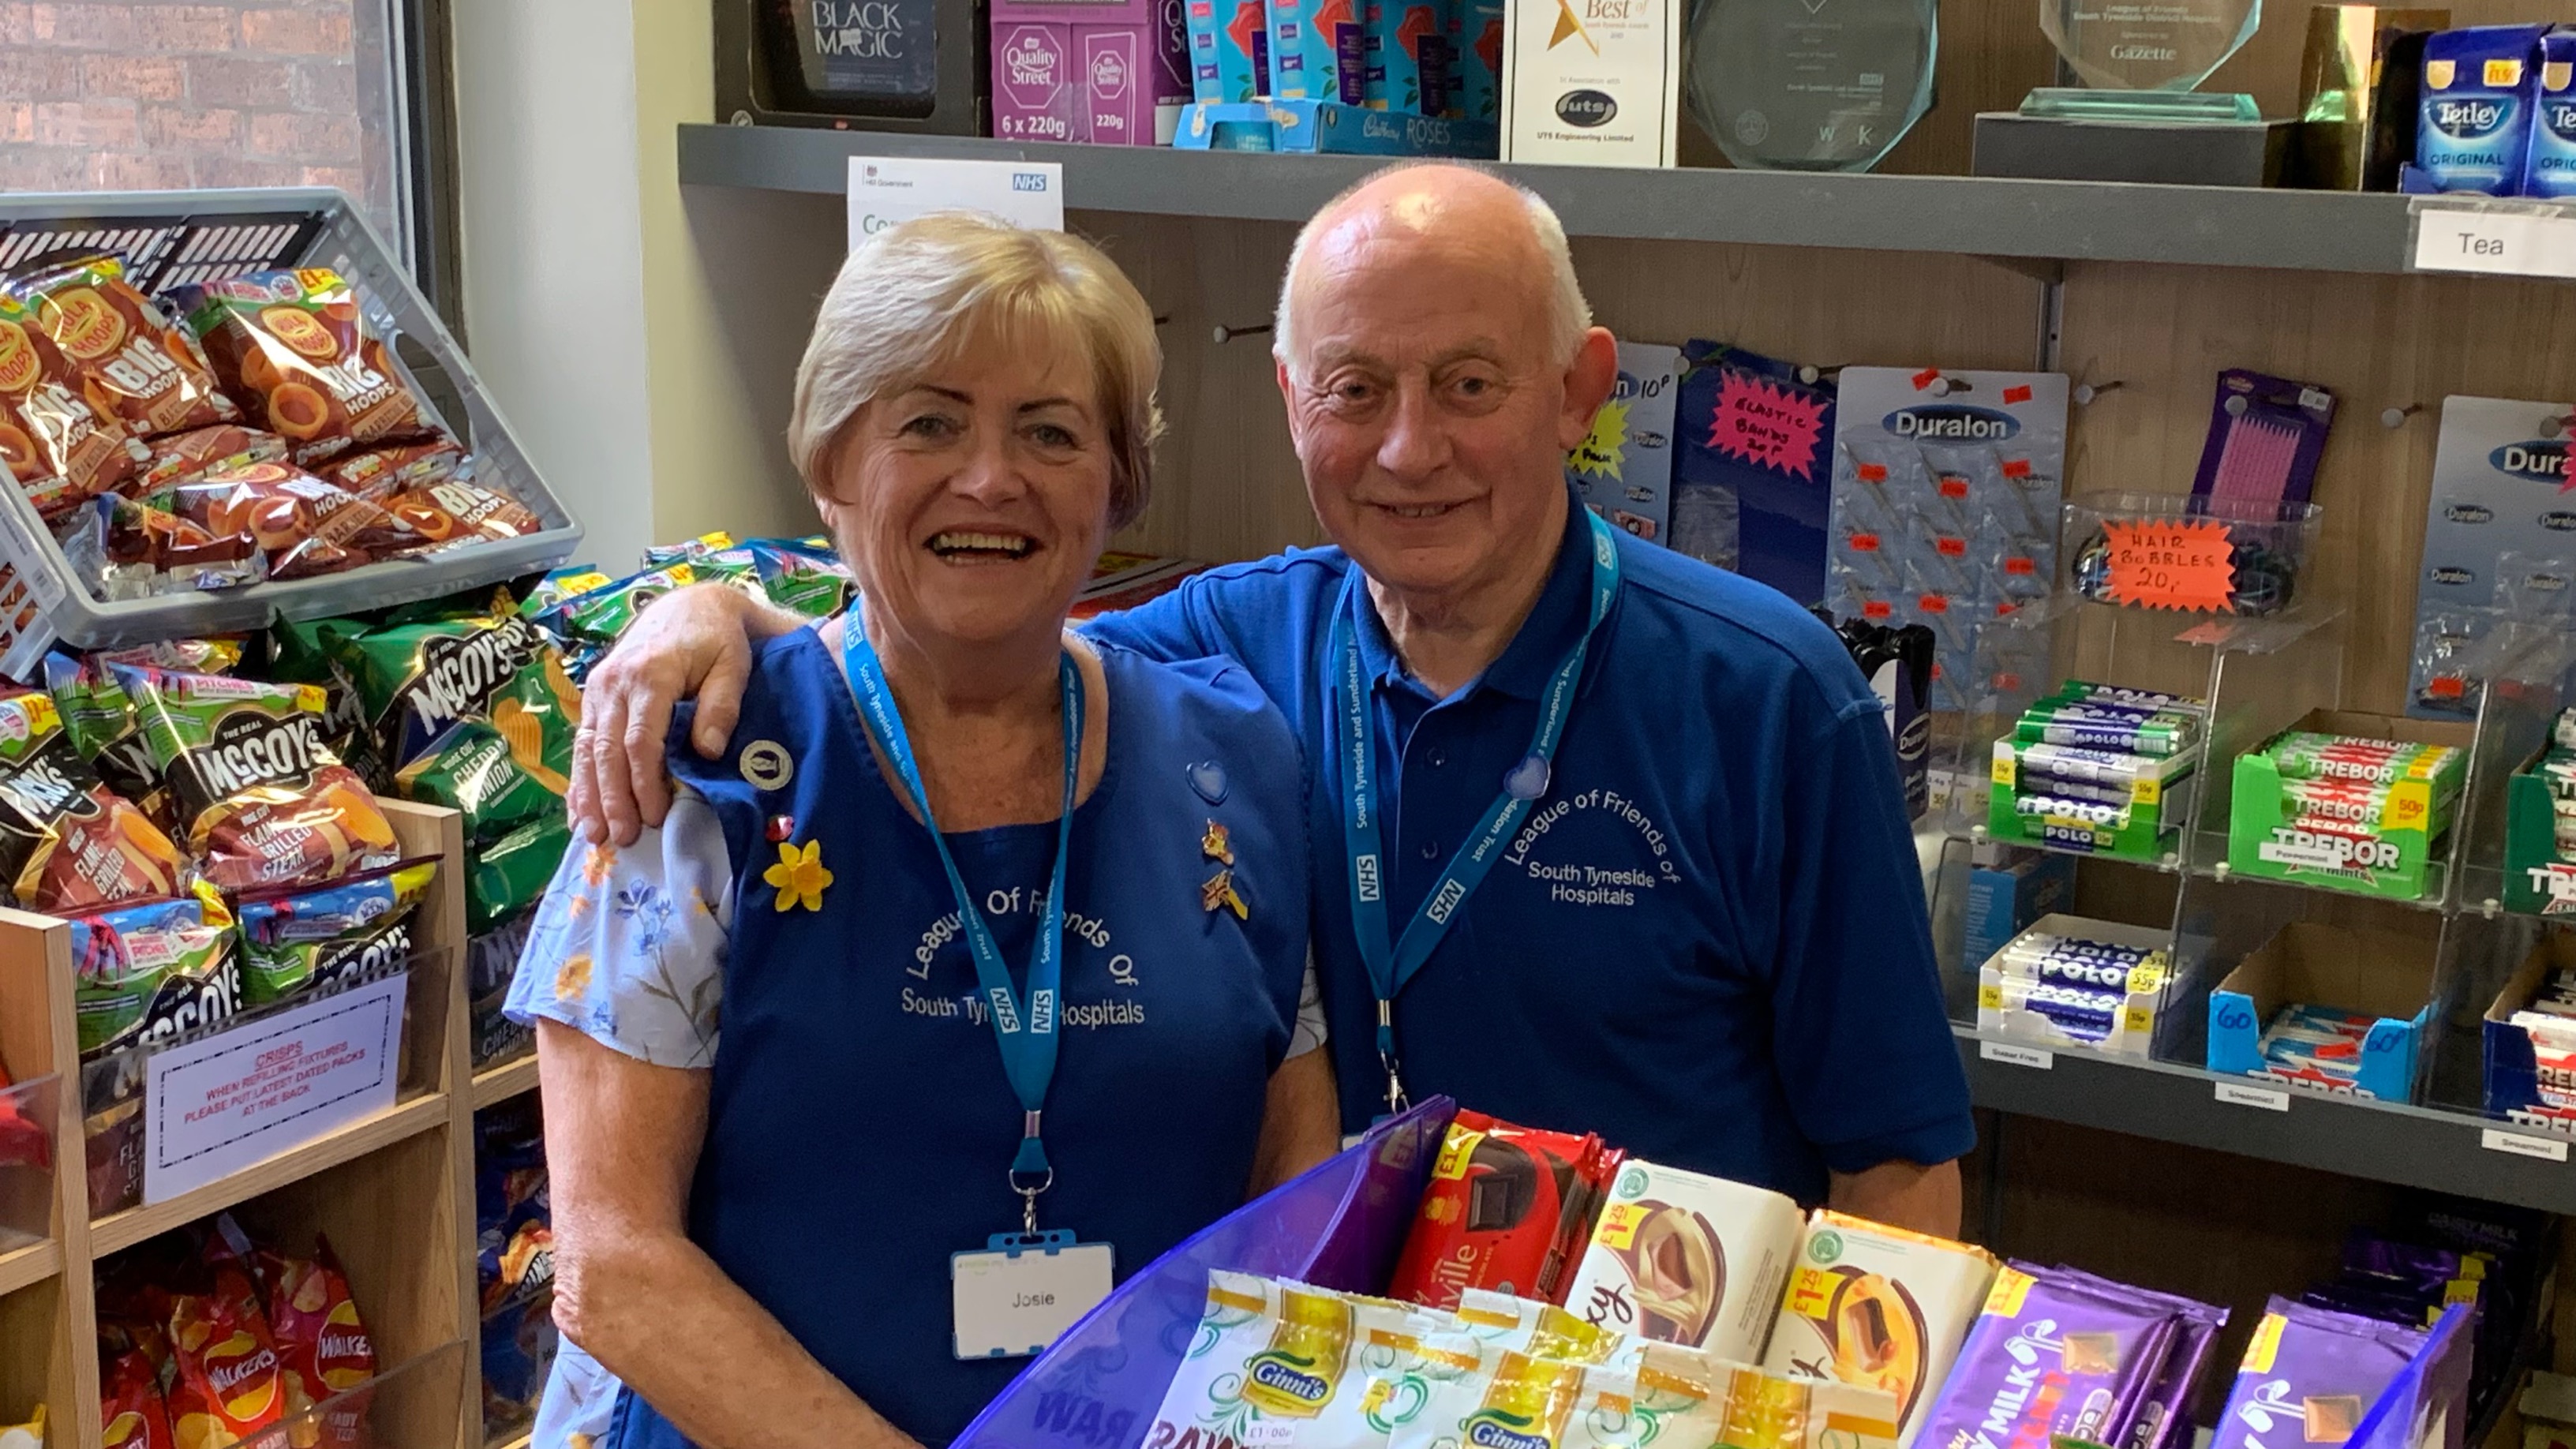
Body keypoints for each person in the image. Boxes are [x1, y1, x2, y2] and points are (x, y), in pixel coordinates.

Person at [569, 162, 1976, 1237]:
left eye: (1469, 383)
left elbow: (1899, 1164)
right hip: (1326, 1380)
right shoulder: (1226, 648)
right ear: (1294, 403)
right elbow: (972, 613)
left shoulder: (1775, 698)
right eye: (1357, 389)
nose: (1409, 448)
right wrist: (723, 615)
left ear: (1578, 392)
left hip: (1646, 1395)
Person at [508, 212, 1340, 1449]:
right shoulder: (697, 780)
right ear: (832, 462)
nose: (991, 478)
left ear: (1119, 482)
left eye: (1052, 432)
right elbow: (616, 1265)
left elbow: (1292, 1178)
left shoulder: (1232, 755)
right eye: (930, 422)